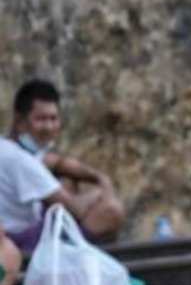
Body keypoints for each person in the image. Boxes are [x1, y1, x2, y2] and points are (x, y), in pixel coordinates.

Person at [8, 79, 124, 243]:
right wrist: (99, 193)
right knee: (110, 212)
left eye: (53, 119)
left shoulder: (12, 148)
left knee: (67, 180)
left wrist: (99, 178)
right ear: (20, 121)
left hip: (26, 228)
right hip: (15, 241)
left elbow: (58, 163)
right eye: (41, 119)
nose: (48, 127)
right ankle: (71, 254)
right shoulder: (20, 160)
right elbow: (74, 209)